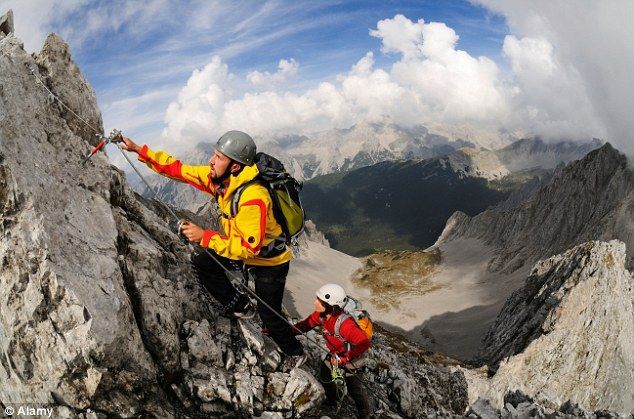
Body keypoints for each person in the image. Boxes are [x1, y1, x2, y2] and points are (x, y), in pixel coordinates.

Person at [120, 131, 305, 365]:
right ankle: (241, 306)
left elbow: (249, 249)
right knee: (203, 262)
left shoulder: (253, 197)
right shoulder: (222, 182)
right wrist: (139, 150)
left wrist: (205, 236)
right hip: (243, 249)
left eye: (218, 157)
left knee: (270, 315)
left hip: (270, 262)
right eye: (214, 154)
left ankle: (296, 352)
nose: (211, 160)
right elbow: (179, 170)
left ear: (235, 166)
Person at [294, 284, 372, 417]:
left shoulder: (346, 324)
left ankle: (365, 413)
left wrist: (345, 358)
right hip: (336, 354)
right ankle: (332, 401)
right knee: (324, 377)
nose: (315, 302)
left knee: (354, 389)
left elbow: (364, 344)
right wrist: (279, 331)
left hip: (354, 358)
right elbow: (305, 325)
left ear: (330, 306)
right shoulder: (321, 315)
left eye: (319, 301)